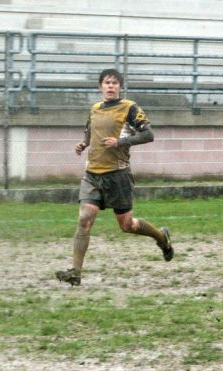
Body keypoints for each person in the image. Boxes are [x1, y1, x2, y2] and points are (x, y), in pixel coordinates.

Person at [55, 68, 174, 286]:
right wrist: (84, 143)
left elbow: (148, 134)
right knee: (84, 219)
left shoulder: (129, 107)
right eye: (106, 82)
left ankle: (161, 238)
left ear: (120, 87)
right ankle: (75, 272)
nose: (110, 86)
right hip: (92, 174)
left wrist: (120, 142)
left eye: (114, 83)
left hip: (118, 175)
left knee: (127, 225)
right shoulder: (94, 109)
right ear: (100, 86)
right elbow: (89, 131)